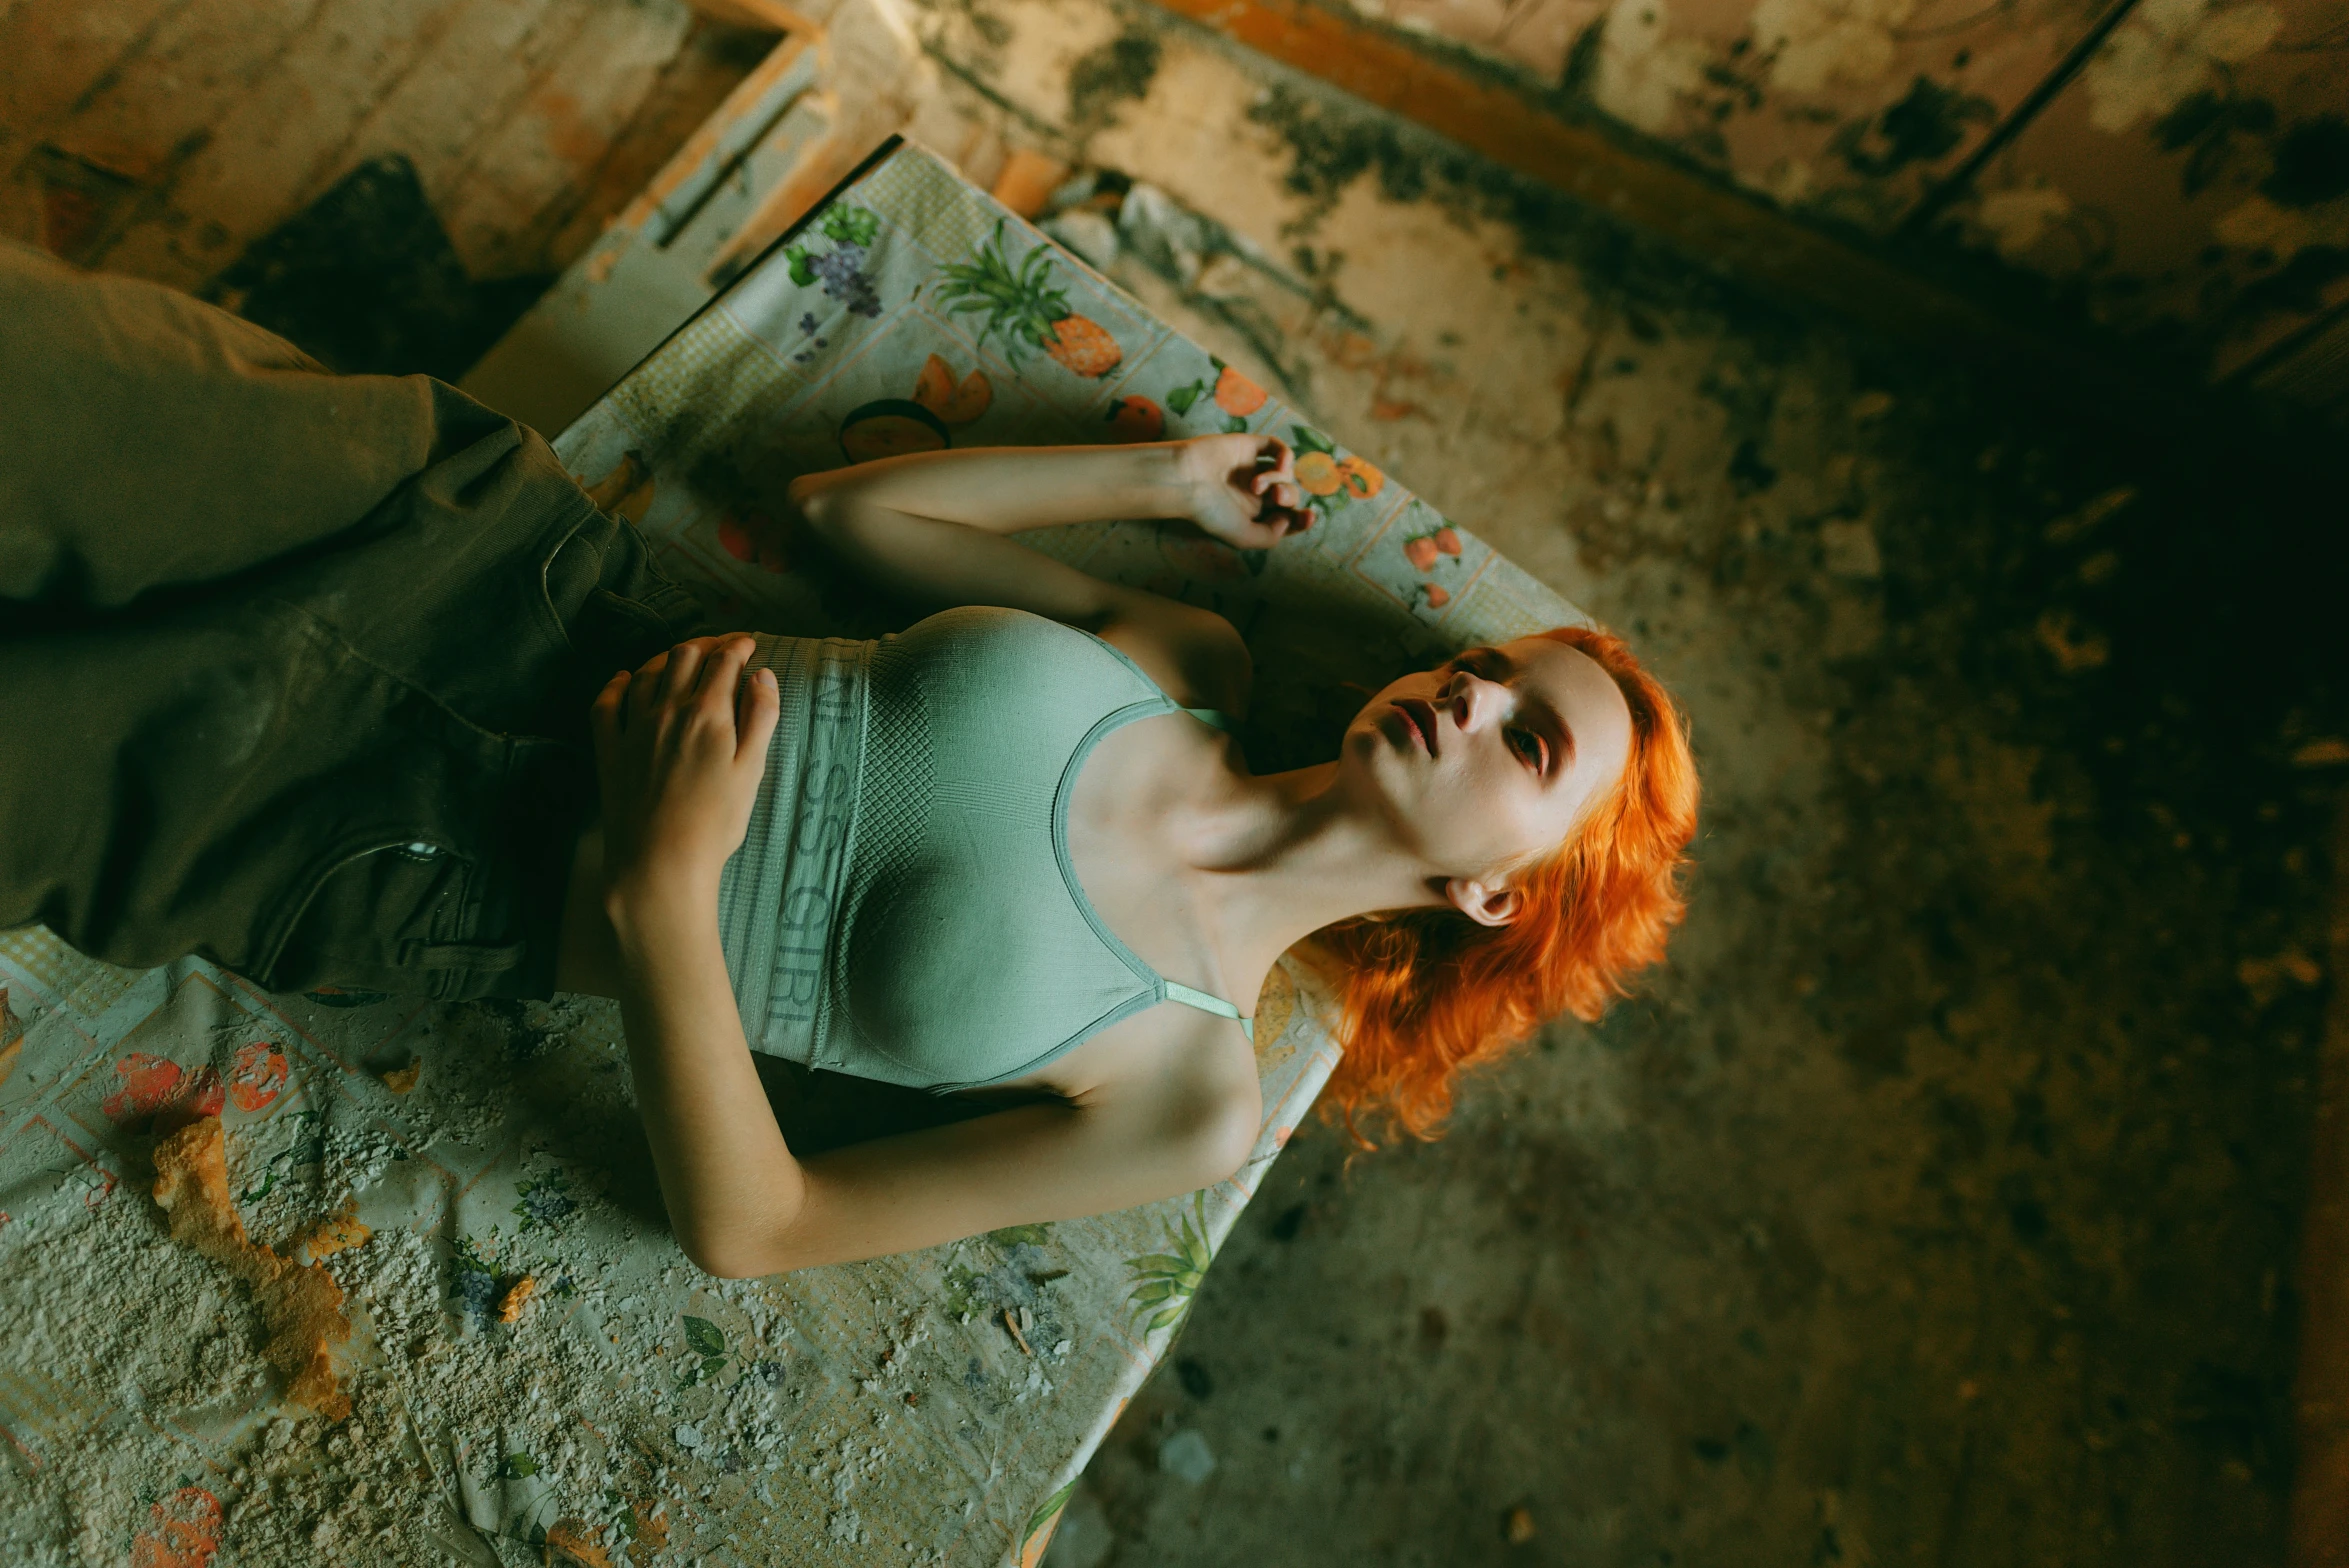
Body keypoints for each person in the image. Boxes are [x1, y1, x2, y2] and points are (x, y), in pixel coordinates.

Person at [0, 239, 1699, 1280]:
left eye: (1524, 738)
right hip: (478, 556)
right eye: (1484, 667)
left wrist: (671, 895)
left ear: (1495, 890)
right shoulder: (1192, 661)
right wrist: (1167, 486)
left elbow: (758, 1229)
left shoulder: (1188, 1096)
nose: (1463, 699)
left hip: (396, 854)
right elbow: (854, 515)